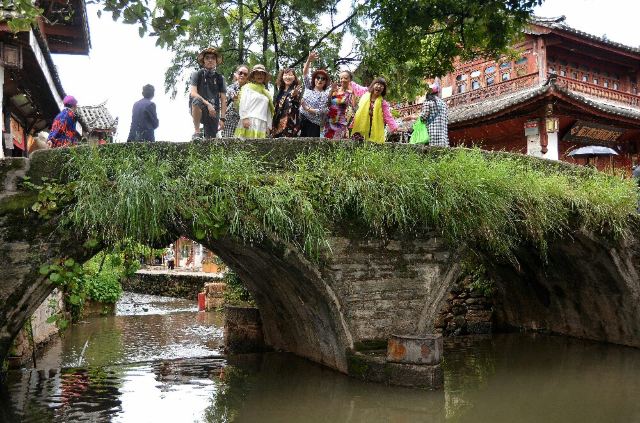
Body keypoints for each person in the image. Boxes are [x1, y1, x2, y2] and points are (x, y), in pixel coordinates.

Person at [189, 47, 227, 139]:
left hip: (214, 111)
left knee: (211, 140)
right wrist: (208, 104)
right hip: (201, 107)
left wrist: (222, 119)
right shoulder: (197, 74)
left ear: (216, 61)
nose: (210, 60)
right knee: (196, 100)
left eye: (213, 58)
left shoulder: (220, 78)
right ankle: (197, 133)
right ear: (203, 60)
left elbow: (223, 99)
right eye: (207, 58)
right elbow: (193, 93)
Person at [350, 77, 398, 143]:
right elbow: (357, 88)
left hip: (374, 127)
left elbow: (388, 116)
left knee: (372, 144)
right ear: (373, 85)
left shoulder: (383, 103)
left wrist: (394, 128)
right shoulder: (365, 92)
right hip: (361, 124)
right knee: (359, 142)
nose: (379, 86)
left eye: (382, 86)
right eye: (377, 84)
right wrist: (348, 80)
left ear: (383, 90)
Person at [234, 64, 275, 139]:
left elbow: (268, 110)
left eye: (262, 73)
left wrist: (269, 125)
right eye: (257, 73)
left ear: (265, 76)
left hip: (262, 123)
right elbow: (243, 103)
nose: (260, 75)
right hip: (250, 121)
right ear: (253, 76)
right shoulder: (247, 88)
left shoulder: (267, 93)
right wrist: (244, 118)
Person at [300, 51, 330, 137]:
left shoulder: (324, 94)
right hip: (301, 118)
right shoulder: (308, 86)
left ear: (325, 82)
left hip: (313, 123)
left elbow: (321, 111)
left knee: (311, 147)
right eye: (318, 77)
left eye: (323, 78)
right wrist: (309, 60)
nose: (320, 80)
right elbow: (305, 74)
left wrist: (307, 108)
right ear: (314, 79)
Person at [324, 70, 357, 139]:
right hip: (329, 120)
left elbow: (354, 108)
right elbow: (328, 103)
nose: (342, 80)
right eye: (341, 78)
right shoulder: (335, 90)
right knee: (327, 143)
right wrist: (331, 91)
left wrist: (353, 94)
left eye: (345, 78)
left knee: (336, 143)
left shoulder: (350, 93)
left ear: (350, 80)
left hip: (340, 122)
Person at [272, 68, 302, 138]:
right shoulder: (280, 91)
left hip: (290, 123)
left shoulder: (297, 89)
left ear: (294, 77)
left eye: (290, 75)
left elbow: (297, 102)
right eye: (285, 75)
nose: (288, 77)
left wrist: (294, 96)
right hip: (277, 122)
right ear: (282, 77)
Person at [222, 64, 250, 137]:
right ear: (236, 74)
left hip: (245, 122)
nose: (242, 75)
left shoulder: (250, 91)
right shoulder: (229, 89)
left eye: (245, 74)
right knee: (228, 144)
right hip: (229, 121)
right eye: (240, 73)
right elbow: (222, 105)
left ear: (248, 77)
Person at [419, 79, 449, 147]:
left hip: (432, 134)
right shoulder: (444, 104)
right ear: (437, 93)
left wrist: (417, 118)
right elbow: (446, 119)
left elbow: (423, 117)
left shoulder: (428, 102)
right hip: (443, 136)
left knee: (432, 153)